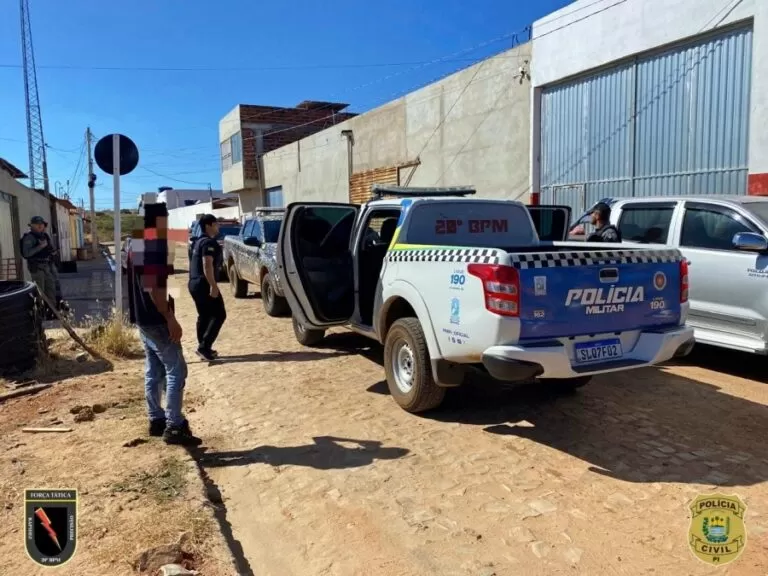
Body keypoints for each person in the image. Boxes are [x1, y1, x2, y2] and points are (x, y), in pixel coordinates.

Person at [127, 234, 202, 446]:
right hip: (158, 321)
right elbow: (155, 288)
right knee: (176, 370)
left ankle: (156, 419)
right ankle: (175, 425)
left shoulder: (135, 247)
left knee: (153, 370)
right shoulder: (152, 250)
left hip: (143, 320)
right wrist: (170, 318)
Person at [188, 214, 227, 361]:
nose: (218, 227)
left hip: (194, 282)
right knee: (219, 314)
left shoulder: (198, 242)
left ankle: (204, 349)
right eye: (216, 224)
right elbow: (207, 264)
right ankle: (204, 347)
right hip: (204, 283)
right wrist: (213, 286)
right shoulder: (209, 243)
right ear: (209, 225)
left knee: (204, 315)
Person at [20, 216, 58, 317]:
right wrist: (40, 247)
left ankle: (52, 313)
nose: (40, 226)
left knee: (51, 289)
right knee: (39, 291)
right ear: (32, 225)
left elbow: (50, 249)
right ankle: (40, 314)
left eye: (42, 224)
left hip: (47, 266)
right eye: (38, 224)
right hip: (37, 268)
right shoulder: (29, 237)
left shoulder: (44, 235)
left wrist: (52, 251)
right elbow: (27, 253)